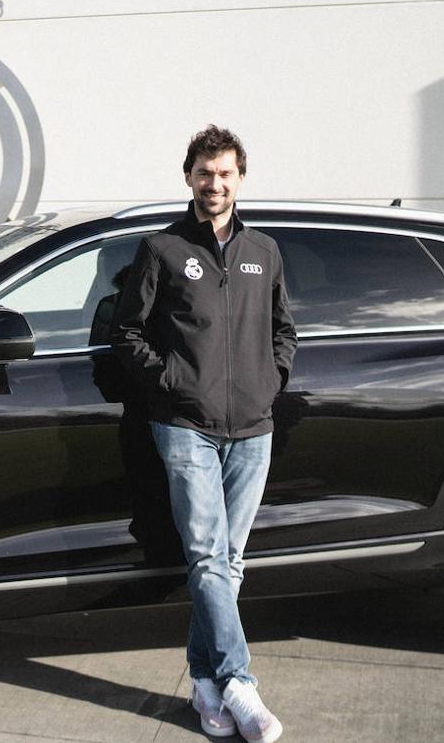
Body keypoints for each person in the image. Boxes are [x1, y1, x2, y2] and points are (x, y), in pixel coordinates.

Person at [110, 125, 296, 742]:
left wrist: (271, 381)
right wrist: (170, 383)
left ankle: (205, 682)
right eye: (204, 173)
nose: (214, 184)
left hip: (253, 427)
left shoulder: (264, 251)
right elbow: (127, 332)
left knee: (227, 563)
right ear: (187, 176)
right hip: (185, 426)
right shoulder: (162, 249)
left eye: (225, 174)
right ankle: (241, 682)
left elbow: (283, 330)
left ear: (241, 178)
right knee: (209, 558)